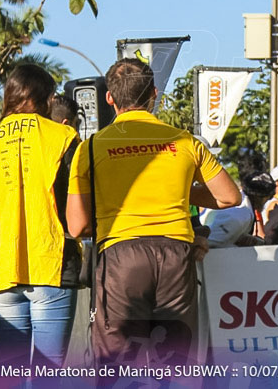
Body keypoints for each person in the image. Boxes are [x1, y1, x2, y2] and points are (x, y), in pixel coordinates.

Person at [66, 58, 241, 367]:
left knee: (116, 363)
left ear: (109, 97)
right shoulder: (185, 141)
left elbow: (77, 226)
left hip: (120, 258)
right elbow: (229, 197)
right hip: (176, 254)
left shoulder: (91, 147)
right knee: (173, 360)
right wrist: (178, 191)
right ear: (154, 94)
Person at [0, 65, 81, 368]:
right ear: (47, 99)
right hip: (52, 267)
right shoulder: (65, 137)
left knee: (13, 373)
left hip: (2, 271)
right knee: (48, 373)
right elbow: (74, 211)